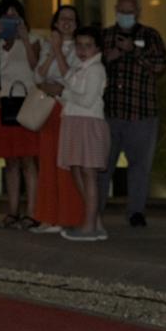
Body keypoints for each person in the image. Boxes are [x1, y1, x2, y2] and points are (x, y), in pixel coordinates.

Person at [35, 27, 110, 242]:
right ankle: (94, 221)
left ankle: (90, 226)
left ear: (97, 48)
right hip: (75, 121)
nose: (82, 50)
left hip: (88, 123)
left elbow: (86, 100)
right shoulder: (81, 67)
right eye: (79, 45)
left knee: (88, 173)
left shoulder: (96, 69)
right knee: (77, 171)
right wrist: (60, 90)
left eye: (88, 45)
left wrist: (62, 91)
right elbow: (70, 83)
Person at [98, 0, 166, 229]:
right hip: (110, 113)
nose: (125, 15)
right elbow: (90, 64)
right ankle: (95, 211)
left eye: (130, 11)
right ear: (116, 10)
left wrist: (134, 52)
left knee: (139, 167)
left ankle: (136, 211)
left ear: (138, 12)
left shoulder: (150, 35)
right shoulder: (105, 36)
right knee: (102, 165)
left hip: (142, 113)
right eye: (121, 10)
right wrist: (110, 57)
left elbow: (160, 66)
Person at [30, 5, 82, 234]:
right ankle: (47, 216)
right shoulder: (46, 44)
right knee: (47, 165)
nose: (66, 23)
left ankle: (66, 217)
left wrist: (60, 52)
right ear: (56, 22)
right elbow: (38, 76)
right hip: (48, 109)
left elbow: (72, 80)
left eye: (71, 19)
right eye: (62, 19)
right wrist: (52, 51)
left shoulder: (81, 47)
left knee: (65, 166)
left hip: (68, 109)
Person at [0, 0, 40, 230]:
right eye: (6, 17)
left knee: (28, 160)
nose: (10, 20)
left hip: (25, 105)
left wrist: (24, 39)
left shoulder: (33, 40)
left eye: (15, 17)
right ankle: (12, 212)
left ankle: (32, 213)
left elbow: (35, 66)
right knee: (10, 161)